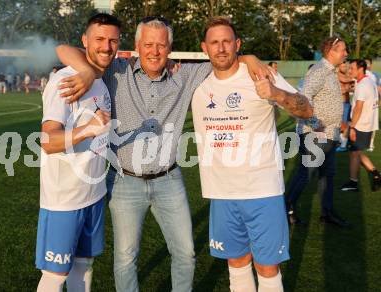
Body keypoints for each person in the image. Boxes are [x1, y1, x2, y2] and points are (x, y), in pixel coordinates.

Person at [55, 16, 272, 292]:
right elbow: (64, 49)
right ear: (136, 46)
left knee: (185, 253)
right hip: (125, 182)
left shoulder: (186, 75)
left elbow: (224, 59)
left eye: (161, 45)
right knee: (125, 258)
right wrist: (86, 71)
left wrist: (249, 57)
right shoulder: (115, 71)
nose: (154, 51)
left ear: (170, 48)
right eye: (148, 44)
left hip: (169, 179)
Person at [191, 17, 313, 292]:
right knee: (236, 262)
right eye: (214, 42)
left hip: (263, 190)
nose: (221, 48)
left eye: (227, 41)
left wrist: (277, 94)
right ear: (204, 47)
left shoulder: (261, 75)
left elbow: (307, 110)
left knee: (268, 267)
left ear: (237, 44)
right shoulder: (197, 82)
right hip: (221, 194)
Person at [35, 13, 119, 292]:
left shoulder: (101, 80)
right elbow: (47, 140)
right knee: (55, 275)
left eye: (112, 40)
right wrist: (87, 130)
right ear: (84, 41)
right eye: (99, 39)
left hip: (93, 195)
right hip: (63, 200)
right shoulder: (66, 80)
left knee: (84, 265)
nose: (106, 46)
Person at [285, 36, 350, 227]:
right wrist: (314, 123)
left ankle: (326, 213)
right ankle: (286, 209)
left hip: (329, 134)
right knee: (306, 173)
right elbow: (304, 98)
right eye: (343, 50)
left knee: (327, 174)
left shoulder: (331, 72)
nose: (346, 53)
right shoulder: (319, 70)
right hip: (315, 134)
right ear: (331, 50)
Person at [341, 59, 381, 192]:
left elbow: (358, 108)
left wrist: (352, 127)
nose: (349, 70)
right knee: (355, 152)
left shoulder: (363, 85)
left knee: (354, 153)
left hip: (361, 125)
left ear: (360, 69)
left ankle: (353, 183)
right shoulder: (367, 82)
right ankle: (375, 174)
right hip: (366, 123)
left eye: (352, 68)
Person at [336, 61, 354, 152]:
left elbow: (352, 87)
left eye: (345, 65)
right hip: (338, 103)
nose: (344, 67)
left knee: (345, 124)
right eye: (342, 65)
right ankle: (341, 143)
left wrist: (350, 86)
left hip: (346, 103)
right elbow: (344, 83)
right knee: (339, 124)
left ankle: (343, 145)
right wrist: (353, 79)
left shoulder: (347, 76)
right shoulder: (337, 75)